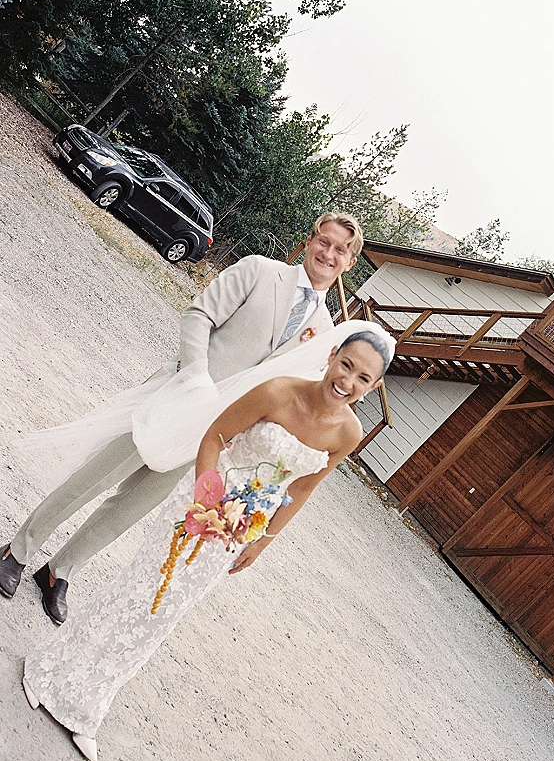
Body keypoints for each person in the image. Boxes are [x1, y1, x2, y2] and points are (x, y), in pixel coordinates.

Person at [20, 323, 395, 761]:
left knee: (164, 616)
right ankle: (48, 672)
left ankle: (87, 706)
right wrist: (207, 492)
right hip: (199, 504)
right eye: (346, 365)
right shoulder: (277, 391)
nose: (348, 382)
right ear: (332, 355)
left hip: (238, 530)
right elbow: (216, 435)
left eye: (363, 378)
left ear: (373, 387)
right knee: (141, 590)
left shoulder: (348, 434)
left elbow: (302, 489)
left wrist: (263, 539)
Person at [0, 212, 363, 625]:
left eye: (341, 250)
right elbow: (198, 316)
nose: (328, 253)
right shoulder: (261, 271)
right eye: (324, 241)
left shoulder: (326, 334)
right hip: (176, 396)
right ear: (311, 240)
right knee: (97, 477)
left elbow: (288, 400)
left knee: (132, 505)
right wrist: (196, 380)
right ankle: (19, 549)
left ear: (349, 262)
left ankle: (60, 571)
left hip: (212, 436)